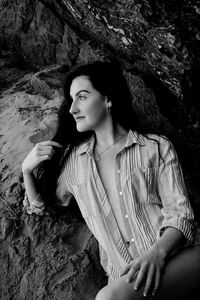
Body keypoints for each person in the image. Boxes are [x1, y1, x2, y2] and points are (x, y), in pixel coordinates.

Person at [22, 61, 200, 300]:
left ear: (107, 99)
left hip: (175, 259)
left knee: (108, 298)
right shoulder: (74, 163)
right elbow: (42, 207)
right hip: (124, 278)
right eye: (71, 99)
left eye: (82, 97)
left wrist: (156, 254)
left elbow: (181, 215)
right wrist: (27, 171)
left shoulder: (155, 147)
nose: (73, 108)